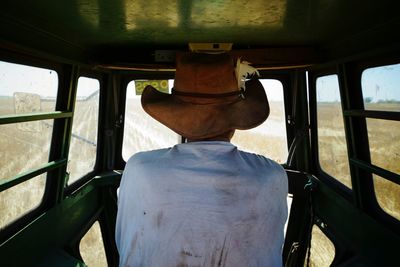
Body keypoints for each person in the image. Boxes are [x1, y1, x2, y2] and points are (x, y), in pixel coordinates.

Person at [116, 52, 288, 267]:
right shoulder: (270, 175)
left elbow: (124, 241)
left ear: (176, 119)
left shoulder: (139, 168)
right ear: (236, 118)